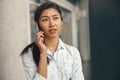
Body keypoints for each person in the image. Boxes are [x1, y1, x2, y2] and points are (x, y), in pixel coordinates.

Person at [21, 1, 84, 80]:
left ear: (61, 22)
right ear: (38, 26)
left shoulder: (73, 53)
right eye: (45, 20)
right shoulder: (29, 53)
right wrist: (43, 53)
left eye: (55, 18)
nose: (52, 24)